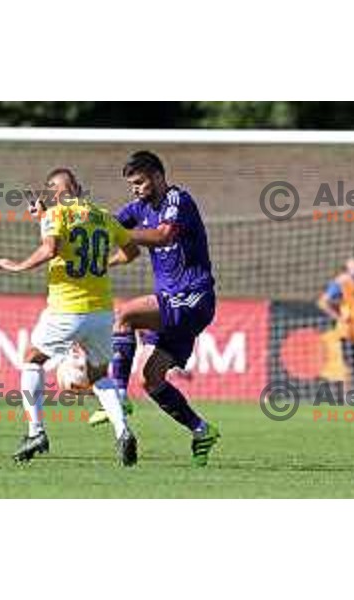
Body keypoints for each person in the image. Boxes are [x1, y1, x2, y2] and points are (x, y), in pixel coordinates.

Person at [0, 168, 140, 465]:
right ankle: (123, 431)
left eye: (51, 189)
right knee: (100, 375)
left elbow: (51, 249)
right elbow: (132, 251)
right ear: (80, 188)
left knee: (32, 360)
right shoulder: (103, 215)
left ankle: (36, 431)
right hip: (100, 312)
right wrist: (102, 264)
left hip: (66, 309)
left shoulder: (56, 214)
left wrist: (19, 266)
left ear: (57, 192)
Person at [101, 151, 220, 467]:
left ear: (156, 176)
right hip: (174, 304)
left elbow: (163, 234)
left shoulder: (177, 200)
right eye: (132, 185)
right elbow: (106, 225)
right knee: (151, 379)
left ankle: (118, 398)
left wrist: (123, 234)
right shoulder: (139, 208)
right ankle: (201, 430)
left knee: (125, 314)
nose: (135, 189)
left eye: (139, 182)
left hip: (193, 298)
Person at [318, 251, 354, 394]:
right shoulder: (341, 283)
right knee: (348, 368)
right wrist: (339, 317)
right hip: (348, 332)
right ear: (348, 267)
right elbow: (323, 302)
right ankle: (347, 399)